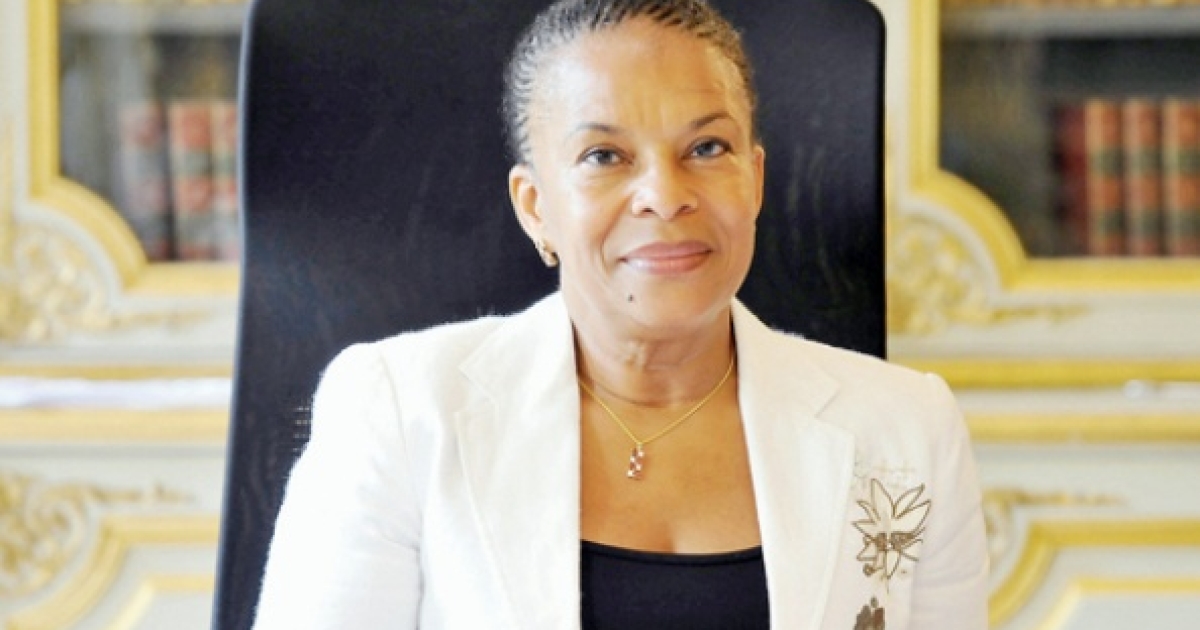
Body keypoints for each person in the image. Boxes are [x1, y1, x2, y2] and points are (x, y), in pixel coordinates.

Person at [252, 0, 989, 628]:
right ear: (535, 207)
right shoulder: (398, 410)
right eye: (604, 156)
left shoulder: (908, 428)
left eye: (707, 147)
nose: (665, 196)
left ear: (755, 180)